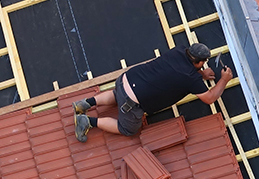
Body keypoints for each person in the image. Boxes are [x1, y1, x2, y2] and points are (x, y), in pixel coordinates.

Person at [73, 43, 233, 142]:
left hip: (125, 79)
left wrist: (201, 74)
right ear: (199, 62)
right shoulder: (190, 78)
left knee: (117, 95)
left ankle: (87, 103)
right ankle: (87, 121)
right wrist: (224, 80)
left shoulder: (178, 50)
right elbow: (210, 98)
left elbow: (174, 71)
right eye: (203, 63)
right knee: (127, 129)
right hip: (132, 101)